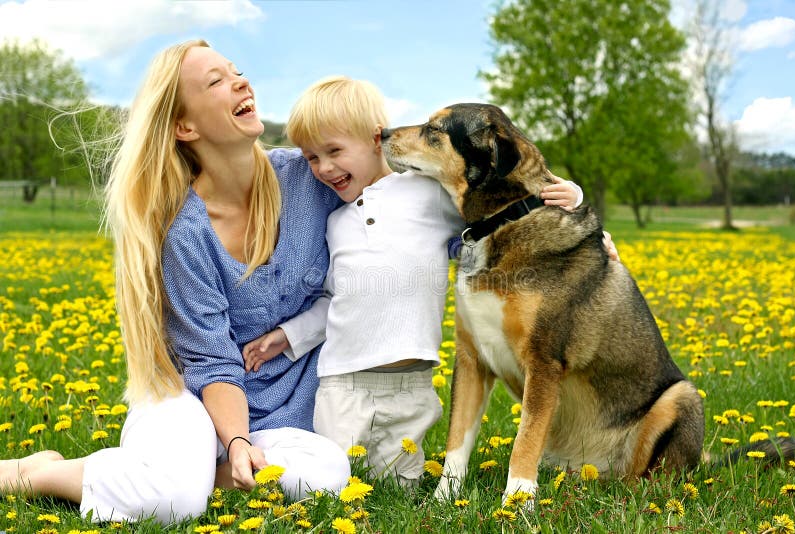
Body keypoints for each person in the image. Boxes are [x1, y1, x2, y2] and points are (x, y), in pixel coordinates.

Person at [0, 40, 349, 524]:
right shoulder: (185, 230)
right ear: (185, 126)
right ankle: (37, 474)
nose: (240, 81)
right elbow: (211, 361)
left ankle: (193, 474)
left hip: (276, 415)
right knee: (175, 502)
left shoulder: (309, 180)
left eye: (237, 71)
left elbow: (386, 200)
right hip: (185, 399)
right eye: (216, 81)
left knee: (325, 472)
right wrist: (237, 441)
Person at [242, 76, 586, 487]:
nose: (324, 168)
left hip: (411, 383)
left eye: (334, 151)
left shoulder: (430, 194)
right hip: (341, 382)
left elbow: (509, 216)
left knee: (399, 485)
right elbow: (333, 300)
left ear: (376, 139)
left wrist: (575, 198)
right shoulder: (334, 222)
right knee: (327, 483)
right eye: (312, 158)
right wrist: (289, 335)